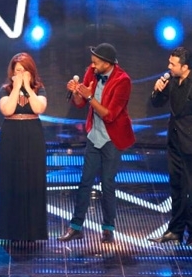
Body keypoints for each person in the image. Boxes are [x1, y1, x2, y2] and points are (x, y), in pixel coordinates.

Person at [58, 43, 135, 244]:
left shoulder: (123, 81)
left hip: (112, 138)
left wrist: (89, 96)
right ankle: (76, 227)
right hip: (94, 136)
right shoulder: (91, 72)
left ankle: (108, 229)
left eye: (96, 63)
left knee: (107, 184)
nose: (92, 66)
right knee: (85, 181)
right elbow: (80, 104)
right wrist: (77, 92)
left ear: (108, 63)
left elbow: (109, 115)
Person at [149, 46, 192, 246]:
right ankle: (175, 230)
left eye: (173, 64)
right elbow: (157, 103)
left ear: (185, 66)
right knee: (176, 188)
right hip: (175, 142)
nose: (169, 67)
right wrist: (157, 90)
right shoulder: (171, 80)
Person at [0, 52, 48, 241]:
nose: (20, 74)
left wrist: (27, 87)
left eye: (24, 71)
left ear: (31, 72)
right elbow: (7, 109)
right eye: (17, 71)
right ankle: (11, 231)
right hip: (11, 135)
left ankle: (34, 231)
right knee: (11, 178)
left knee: (33, 178)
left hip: (32, 134)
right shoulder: (5, 90)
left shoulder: (39, 89)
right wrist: (17, 87)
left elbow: (39, 108)